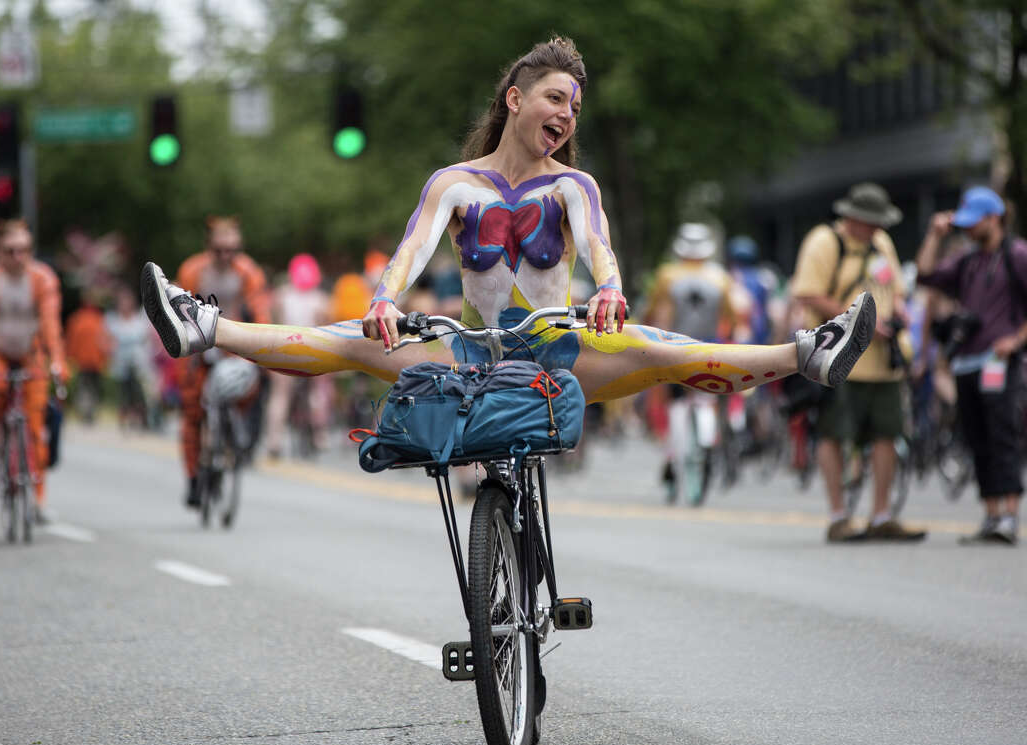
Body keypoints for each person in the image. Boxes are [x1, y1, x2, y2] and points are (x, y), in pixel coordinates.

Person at [139, 37, 875, 486]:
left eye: (577, 107)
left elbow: (597, 245)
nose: (568, 115)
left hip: (557, 353)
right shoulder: (454, 184)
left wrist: (612, 290)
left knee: (667, 348)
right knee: (346, 343)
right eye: (557, 98)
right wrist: (385, 300)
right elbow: (409, 251)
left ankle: (808, 355)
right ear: (517, 98)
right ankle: (202, 327)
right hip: (467, 355)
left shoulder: (572, 186)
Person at [790, 182, 923, 543]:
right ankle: (838, 515)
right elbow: (806, 292)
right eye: (871, 222)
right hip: (840, 359)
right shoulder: (825, 242)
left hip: (883, 362)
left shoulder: (881, 244)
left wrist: (899, 314)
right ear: (852, 218)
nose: (877, 229)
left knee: (887, 432)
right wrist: (858, 323)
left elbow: (896, 290)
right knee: (834, 433)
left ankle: (881, 515)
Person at [915, 186, 1027, 545]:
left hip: (999, 362)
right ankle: (991, 514)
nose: (965, 229)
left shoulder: (1018, 254)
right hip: (966, 363)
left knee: (1002, 437)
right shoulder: (967, 260)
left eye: (972, 222)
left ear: (993, 219)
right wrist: (934, 234)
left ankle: (1010, 515)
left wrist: (1016, 339)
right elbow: (925, 275)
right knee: (977, 440)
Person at [0, 219, 67, 520]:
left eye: (23, 250)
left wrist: (57, 361)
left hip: (30, 353)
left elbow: (51, 326)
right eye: (10, 251)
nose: (17, 257)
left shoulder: (42, 279)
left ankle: (37, 499)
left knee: (36, 424)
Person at [173, 216, 272, 507]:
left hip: (235, 346)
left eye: (232, 249)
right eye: (219, 250)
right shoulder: (192, 270)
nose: (226, 256)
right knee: (192, 414)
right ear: (209, 247)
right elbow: (177, 311)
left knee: (250, 392)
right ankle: (193, 477)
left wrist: (264, 350)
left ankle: (233, 446)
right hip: (197, 349)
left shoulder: (248, 271)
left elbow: (261, 310)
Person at [644, 222, 739, 502]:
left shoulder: (667, 275)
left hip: (673, 348)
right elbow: (731, 318)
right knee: (705, 399)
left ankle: (672, 459)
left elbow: (652, 311)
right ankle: (702, 448)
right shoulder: (720, 278)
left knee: (674, 406)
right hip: (707, 349)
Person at [265, 253, 334, 457]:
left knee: (279, 396)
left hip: (284, 348)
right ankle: (319, 435)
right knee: (318, 391)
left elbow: (273, 321)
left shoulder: (281, 295)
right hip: (312, 350)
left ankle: (274, 441)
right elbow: (327, 327)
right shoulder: (321, 299)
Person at [104, 284, 160, 430]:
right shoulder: (113, 320)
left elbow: (148, 339)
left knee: (139, 392)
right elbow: (106, 340)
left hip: (139, 363)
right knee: (124, 393)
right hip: (121, 363)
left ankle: (142, 418)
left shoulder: (140, 320)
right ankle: (124, 418)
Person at [64, 289, 110, 425]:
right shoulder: (98, 319)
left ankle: (87, 411)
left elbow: (71, 341)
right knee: (90, 388)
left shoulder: (78, 319)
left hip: (86, 361)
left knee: (86, 387)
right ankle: (88, 411)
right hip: (92, 361)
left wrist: (71, 356)